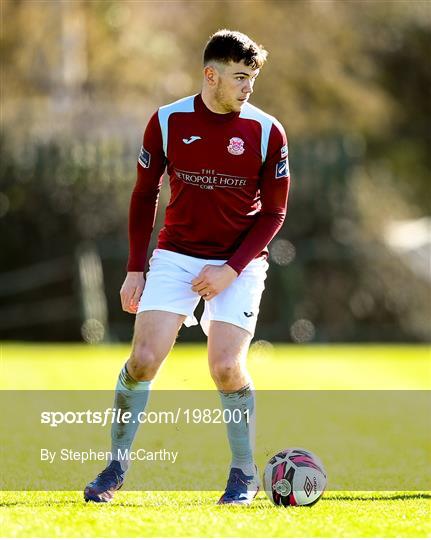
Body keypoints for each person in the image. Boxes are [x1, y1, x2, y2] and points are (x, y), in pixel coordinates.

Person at [84, 29, 290, 505]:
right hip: (175, 256)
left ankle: (243, 473)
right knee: (144, 360)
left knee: (224, 366)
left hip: (240, 261)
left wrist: (230, 269)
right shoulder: (167, 120)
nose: (247, 88)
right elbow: (143, 195)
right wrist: (136, 268)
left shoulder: (266, 130)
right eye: (240, 77)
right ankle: (115, 466)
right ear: (210, 75)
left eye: (253, 79)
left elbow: (275, 213)